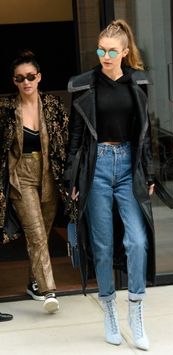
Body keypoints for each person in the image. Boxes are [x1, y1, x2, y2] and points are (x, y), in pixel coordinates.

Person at [64, 19, 156, 350]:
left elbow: (146, 133)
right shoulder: (85, 85)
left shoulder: (138, 82)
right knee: (101, 246)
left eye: (111, 51)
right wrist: (72, 177)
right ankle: (110, 314)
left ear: (125, 52)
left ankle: (135, 311)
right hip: (97, 166)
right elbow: (75, 134)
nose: (105, 56)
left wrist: (150, 172)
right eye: (101, 50)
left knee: (137, 241)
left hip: (128, 165)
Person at [0, 50, 69, 313]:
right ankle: (49, 291)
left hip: (48, 175)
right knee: (37, 235)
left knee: (44, 232)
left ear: (38, 77)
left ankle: (33, 283)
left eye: (30, 76)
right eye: (20, 78)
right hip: (21, 177)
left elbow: (65, 141)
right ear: (14, 81)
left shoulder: (52, 105)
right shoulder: (6, 109)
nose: (26, 82)